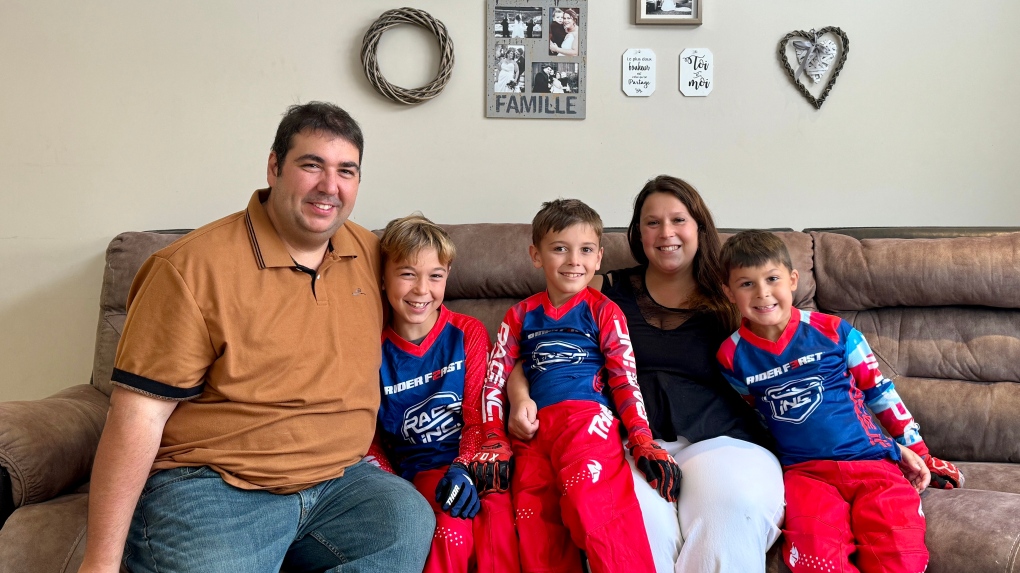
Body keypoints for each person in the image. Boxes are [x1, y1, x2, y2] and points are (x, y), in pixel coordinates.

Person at [77, 102, 434, 573]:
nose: (330, 186)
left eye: (346, 171)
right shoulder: (190, 268)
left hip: (339, 482)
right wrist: (99, 562)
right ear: (274, 167)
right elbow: (136, 418)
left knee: (406, 520)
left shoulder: (369, 253)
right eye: (312, 165)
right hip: (214, 486)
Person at [508, 176, 783, 573]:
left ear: (699, 228)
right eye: (653, 222)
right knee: (634, 535)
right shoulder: (602, 287)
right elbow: (533, 353)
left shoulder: (733, 293)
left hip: (722, 441)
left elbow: (792, 348)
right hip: (627, 447)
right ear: (638, 233)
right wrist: (520, 398)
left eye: (678, 220)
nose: (666, 233)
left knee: (728, 518)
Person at [716, 230, 964, 573]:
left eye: (772, 279)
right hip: (806, 475)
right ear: (728, 292)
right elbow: (753, 415)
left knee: (900, 556)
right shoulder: (731, 356)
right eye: (746, 284)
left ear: (792, 280)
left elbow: (879, 391)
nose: (763, 293)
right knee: (818, 561)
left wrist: (919, 452)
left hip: (873, 463)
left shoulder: (835, 331)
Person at [470, 199, 681, 573]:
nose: (573, 261)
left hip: (587, 423)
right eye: (559, 249)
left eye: (585, 250)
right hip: (531, 434)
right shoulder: (519, 314)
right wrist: (493, 440)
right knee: (535, 529)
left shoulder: (604, 310)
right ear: (536, 255)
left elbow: (624, 378)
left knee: (595, 512)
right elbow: (494, 377)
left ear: (599, 257)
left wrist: (642, 440)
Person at [366, 214, 521, 573]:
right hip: (418, 473)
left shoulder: (467, 331)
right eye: (407, 273)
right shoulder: (371, 348)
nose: (422, 290)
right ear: (383, 278)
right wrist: (395, 491)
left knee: (500, 527)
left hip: (474, 461)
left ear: (447, 277)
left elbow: (477, 414)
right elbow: (368, 437)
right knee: (451, 533)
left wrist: (464, 466)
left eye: (435, 276)